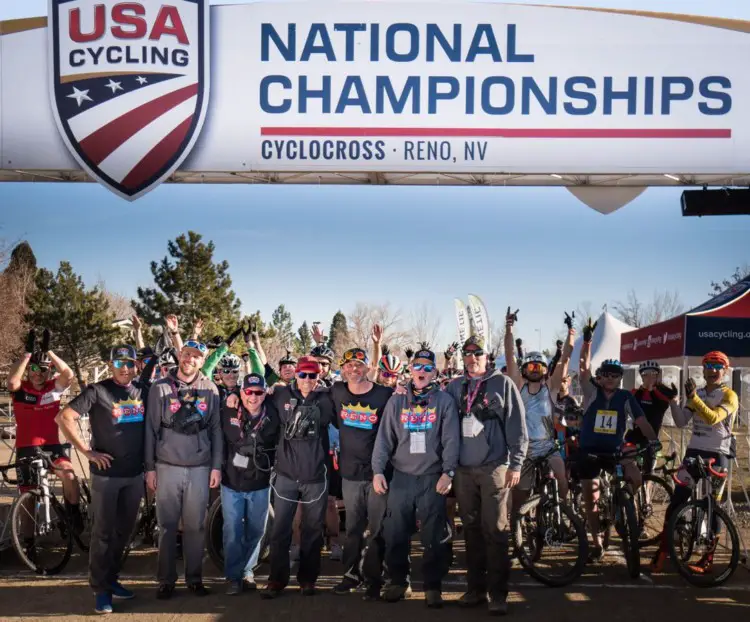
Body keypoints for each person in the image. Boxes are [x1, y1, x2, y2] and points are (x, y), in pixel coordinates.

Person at [56, 345, 148, 614]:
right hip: (107, 477)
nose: (125, 367)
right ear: (110, 364)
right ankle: (101, 589)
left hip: (134, 475)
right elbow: (64, 417)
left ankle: (112, 579)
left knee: (124, 533)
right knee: (103, 534)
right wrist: (87, 452)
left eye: (130, 363)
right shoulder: (97, 391)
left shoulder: (142, 391)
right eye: (119, 362)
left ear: (136, 365)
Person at [445, 336, 528, 616]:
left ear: (487, 356)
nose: (472, 358)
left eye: (477, 354)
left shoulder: (502, 383)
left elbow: (517, 426)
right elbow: (434, 408)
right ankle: (475, 589)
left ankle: (498, 594)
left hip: (494, 468)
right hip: (464, 471)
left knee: (495, 530)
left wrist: (516, 464)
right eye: (467, 355)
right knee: (470, 531)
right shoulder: (456, 387)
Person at [372, 346, 459, 608]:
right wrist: (377, 471)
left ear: (435, 372)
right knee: (396, 532)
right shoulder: (397, 401)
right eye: (418, 366)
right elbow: (384, 439)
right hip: (402, 476)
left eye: (428, 367)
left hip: (432, 477)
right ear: (410, 369)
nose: (422, 371)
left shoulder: (444, 401)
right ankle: (399, 581)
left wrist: (448, 471)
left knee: (434, 536)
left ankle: (433, 585)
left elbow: (452, 439)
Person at [144, 339, 223, 599]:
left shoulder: (210, 389)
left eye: (196, 356)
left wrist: (216, 466)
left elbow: (215, 430)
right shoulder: (160, 388)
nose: (190, 359)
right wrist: (150, 468)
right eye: (187, 354)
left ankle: (194, 578)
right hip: (167, 465)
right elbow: (151, 430)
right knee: (166, 526)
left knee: (195, 526)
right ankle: (166, 579)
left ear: (203, 361)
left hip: (200, 466)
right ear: (180, 355)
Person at [651, 351, 738, 574]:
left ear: (725, 370)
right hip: (694, 450)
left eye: (717, 366)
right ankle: (664, 549)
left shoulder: (730, 395)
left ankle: (708, 558)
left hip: (717, 453)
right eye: (708, 365)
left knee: (713, 507)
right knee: (677, 499)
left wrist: (694, 399)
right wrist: (673, 401)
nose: (711, 370)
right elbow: (681, 422)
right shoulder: (696, 393)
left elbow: (713, 417)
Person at [576, 323, 658, 562]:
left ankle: (622, 505)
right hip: (590, 450)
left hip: (614, 450)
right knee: (590, 500)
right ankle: (597, 543)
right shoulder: (592, 391)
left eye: (615, 375)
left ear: (621, 378)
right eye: (606, 375)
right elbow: (583, 367)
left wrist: (653, 441)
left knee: (636, 476)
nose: (611, 378)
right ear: (600, 377)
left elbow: (641, 421)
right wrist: (588, 342)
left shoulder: (625, 397)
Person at [262, 356, 336, 599]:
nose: (307, 380)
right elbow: (252, 400)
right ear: (295, 374)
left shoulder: (328, 397)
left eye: (312, 375)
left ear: (319, 377)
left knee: (312, 530)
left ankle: (307, 579)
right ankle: (277, 579)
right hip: (286, 475)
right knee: (280, 529)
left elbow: (360, 390)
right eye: (303, 374)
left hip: (315, 475)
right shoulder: (280, 394)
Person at [330, 348, 394, 600]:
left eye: (359, 365)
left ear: (367, 367)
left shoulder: (385, 394)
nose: (354, 369)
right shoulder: (336, 391)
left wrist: (403, 389)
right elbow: (304, 390)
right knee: (354, 528)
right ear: (343, 369)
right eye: (349, 366)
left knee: (378, 528)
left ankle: (375, 578)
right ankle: (351, 574)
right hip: (350, 474)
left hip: (379, 474)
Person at [7, 330, 80, 525]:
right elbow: (12, 381)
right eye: (33, 369)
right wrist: (27, 355)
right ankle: (29, 543)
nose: (37, 374)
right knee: (29, 499)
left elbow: (68, 374)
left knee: (70, 475)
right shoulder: (21, 389)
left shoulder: (53, 387)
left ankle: (73, 517)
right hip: (27, 449)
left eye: (42, 369)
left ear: (49, 371)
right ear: (28, 370)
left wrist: (49, 352)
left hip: (52, 447)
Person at [504, 310, 575, 502]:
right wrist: (509, 328)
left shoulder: (550, 387)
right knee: (521, 493)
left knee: (561, 477)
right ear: (524, 369)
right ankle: (518, 524)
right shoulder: (519, 385)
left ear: (545, 370)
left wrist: (571, 332)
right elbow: (510, 356)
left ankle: (562, 511)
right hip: (523, 449)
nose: (535, 371)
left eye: (539, 367)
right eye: (531, 367)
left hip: (547, 447)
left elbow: (565, 359)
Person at [220, 373, 280, 594]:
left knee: (256, 530)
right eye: (248, 392)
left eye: (258, 392)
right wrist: (233, 393)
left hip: (260, 482)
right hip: (231, 482)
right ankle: (233, 576)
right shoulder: (227, 408)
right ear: (241, 391)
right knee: (233, 531)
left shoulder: (273, 412)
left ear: (265, 394)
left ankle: (247, 571)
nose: (253, 397)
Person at [625, 360, 679, 472]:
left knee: (648, 472)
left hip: (651, 439)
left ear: (658, 376)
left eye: (653, 374)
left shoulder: (662, 394)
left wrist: (656, 390)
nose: (650, 377)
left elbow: (669, 404)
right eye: (646, 374)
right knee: (628, 469)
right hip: (633, 437)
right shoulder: (635, 392)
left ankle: (648, 488)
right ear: (641, 376)